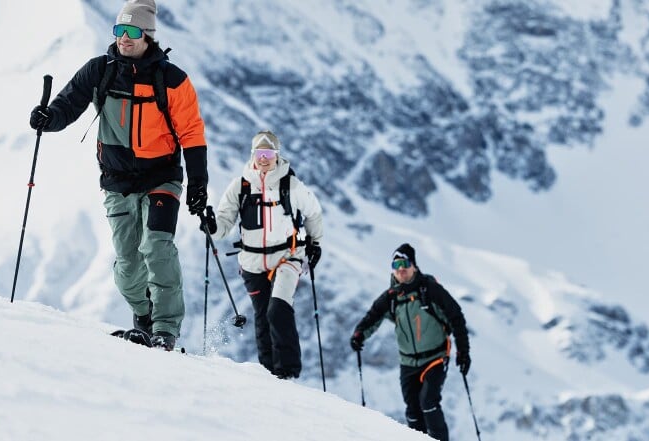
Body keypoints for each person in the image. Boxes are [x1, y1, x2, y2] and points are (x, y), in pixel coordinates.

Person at [28, 0, 208, 351]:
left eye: (131, 32)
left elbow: (192, 133)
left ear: (148, 36)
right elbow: (69, 103)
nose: (123, 39)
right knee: (127, 266)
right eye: (119, 31)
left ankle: (165, 330)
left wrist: (198, 184)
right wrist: (48, 119)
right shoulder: (100, 70)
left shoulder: (172, 80)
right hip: (117, 181)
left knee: (157, 248)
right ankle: (143, 319)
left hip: (162, 177)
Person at [200, 130, 323, 379]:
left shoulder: (291, 185)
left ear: (277, 155)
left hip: (287, 256)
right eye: (259, 153)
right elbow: (224, 220)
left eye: (268, 153)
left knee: (277, 309)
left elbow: (314, 213)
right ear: (252, 155)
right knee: (262, 316)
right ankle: (269, 374)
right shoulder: (241, 186)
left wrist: (315, 243)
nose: (263, 158)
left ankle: (287, 371)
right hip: (252, 262)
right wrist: (213, 226)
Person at [350, 243, 471, 441]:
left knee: (429, 403)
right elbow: (372, 317)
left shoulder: (430, 290)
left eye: (404, 263)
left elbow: (456, 317)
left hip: (436, 358)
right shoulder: (391, 297)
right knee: (413, 412)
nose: (401, 269)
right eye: (396, 265)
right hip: (408, 362)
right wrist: (359, 335)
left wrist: (463, 352)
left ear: (414, 265)